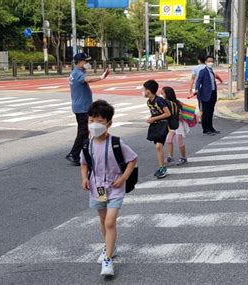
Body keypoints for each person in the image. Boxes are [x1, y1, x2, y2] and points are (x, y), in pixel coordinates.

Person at [80, 99, 137, 276]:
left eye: (99, 121)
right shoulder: (86, 145)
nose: (94, 125)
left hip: (115, 187)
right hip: (97, 188)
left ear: (109, 123)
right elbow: (84, 164)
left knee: (110, 221)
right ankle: (110, 246)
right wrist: (84, 178)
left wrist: (123, 178)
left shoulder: (116, 143)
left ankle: (107, 259)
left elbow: (132, 159)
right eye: (91, 120)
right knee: (103, 220)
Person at [65, 52, 109, 166]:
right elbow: (87, 80)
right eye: (85, 61)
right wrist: (101, 77)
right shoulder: (77, 73)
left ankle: (81, 154)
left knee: (85, 131)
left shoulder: (76, 72)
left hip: (81, 106)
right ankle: (73, 154)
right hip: (82, 108)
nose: (87, 63)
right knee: (83, 132)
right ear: (80, 62)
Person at [144, 79, 171, 178]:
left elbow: (168, 113)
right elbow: (154, 113)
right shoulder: (149, 102)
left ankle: (162, 168)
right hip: (156, 125)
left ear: (148, 90)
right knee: (158, 146)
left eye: (144, 89)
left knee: (158, 146)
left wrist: (154, 118)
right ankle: (162, 168)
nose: (143, 91)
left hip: (163, 125)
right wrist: (151, 119)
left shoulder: (159, 100)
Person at [195, 55, 223, 136]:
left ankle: (211, 128)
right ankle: (206, 129)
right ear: (205, 62)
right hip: (205, 94)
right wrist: (196, 89)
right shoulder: (203, 71)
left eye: (212, 61)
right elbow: (198, 81)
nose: (211, 63)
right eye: (209, 61)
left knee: (211, 112)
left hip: (213, 93)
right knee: (206, 112)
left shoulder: (211, 71)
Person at [163, 87, 189, 166]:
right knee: (169, 140)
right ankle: (170, 157)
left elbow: (187, 114)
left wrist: (181, 115)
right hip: (172, 124)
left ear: (167, 94)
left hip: (179, 125)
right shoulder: (165, 103)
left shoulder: (178, 103)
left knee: (179, 141)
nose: (162, 95)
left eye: (163, 93)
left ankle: (183, 157)